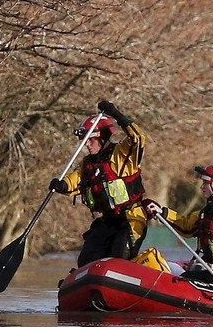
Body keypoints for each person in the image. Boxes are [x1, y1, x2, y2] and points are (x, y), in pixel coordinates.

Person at [52, 99, 148, 266]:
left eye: (90, 140)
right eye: (84, 141)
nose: (86, 145)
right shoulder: (87, 164)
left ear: (102, 138)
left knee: (120, 258)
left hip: (131, 218)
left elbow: (139, 138)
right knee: (85, 261)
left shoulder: (122, 154)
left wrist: (117, 114)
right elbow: (75, 180)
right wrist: (61, 185)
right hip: (107, 221)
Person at [142, 163, 213, 290]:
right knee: (177, 272)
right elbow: (186, 227)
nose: (202, 187)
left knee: (185, 278)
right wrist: (162, 213)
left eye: (206, 183)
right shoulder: (207, 211)